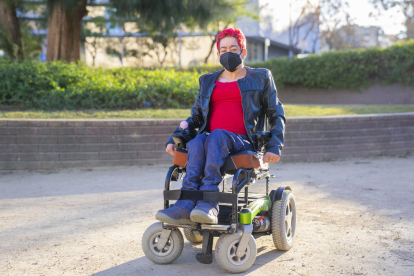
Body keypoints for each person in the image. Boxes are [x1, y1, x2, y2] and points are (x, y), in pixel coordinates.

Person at [156, 28, 286, 225]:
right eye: (223, 50)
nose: (228, 53)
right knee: (199, 139)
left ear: (243, 51)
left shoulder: (261, 77)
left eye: (233, 48)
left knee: (216, 136)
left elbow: (276, 112)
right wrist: (177, 137)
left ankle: (209, 202)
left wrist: (274, 145)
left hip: (243, 141)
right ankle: (185, 203)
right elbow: (196, 117)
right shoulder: (208, 81)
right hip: (212, 139)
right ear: (218, 54)